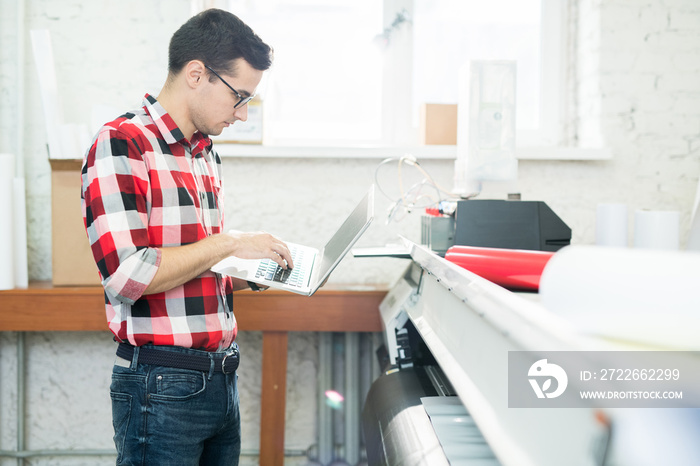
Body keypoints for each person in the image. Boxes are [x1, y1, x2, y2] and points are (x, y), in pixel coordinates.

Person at [80, 9, 293, 466]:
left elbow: (193, 265)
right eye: (240, 97)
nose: (241, 114)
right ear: (197, 74)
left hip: (221, 381)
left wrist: (250, 271)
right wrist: (232, 242)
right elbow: (127, 277)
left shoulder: (203, 152)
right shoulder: (121, 143)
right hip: (162, 388)